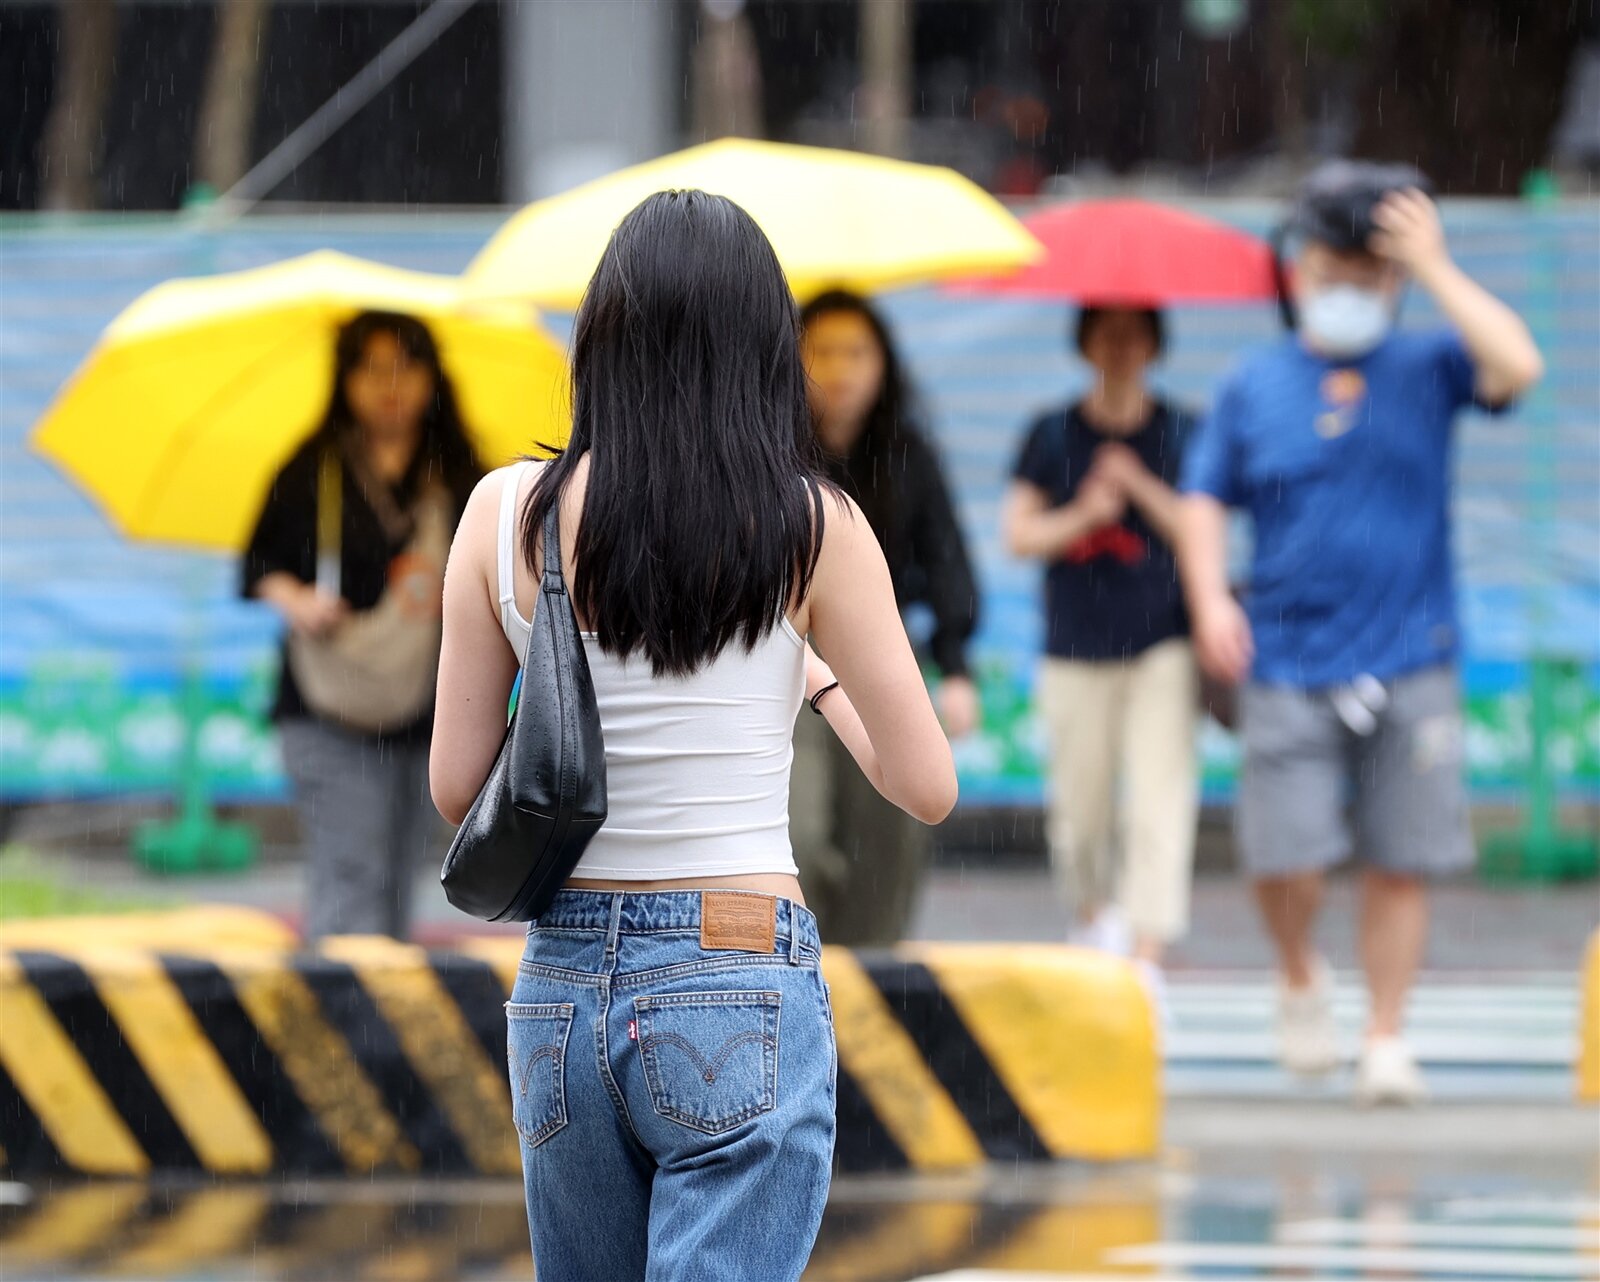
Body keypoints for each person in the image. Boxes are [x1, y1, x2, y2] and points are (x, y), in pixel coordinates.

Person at [429, 192, 957, 1282]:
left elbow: (455, 787)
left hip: (563, 980)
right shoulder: (814, 525)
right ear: (765, 350)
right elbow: (924, 783)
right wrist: (812, 680)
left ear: (601, 339)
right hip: (736, 960)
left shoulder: (503, 514)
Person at [1177, 162, 1543, 1104]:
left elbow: (1520, 366)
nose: (1345, 285)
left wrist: (1435, 263)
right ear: (1298, 270)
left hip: (1412, 653)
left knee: (1401, 861)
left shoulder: (1429, 365)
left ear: (1394, 278)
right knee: (1282, 858)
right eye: (1329, 266)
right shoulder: (1254, 382)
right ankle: (1299, 969)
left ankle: (1385, 1036)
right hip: (1286, 656)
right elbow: (1203, 500)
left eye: (1366, 270)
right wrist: (1212, 600)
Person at [243, 311, 483, 942]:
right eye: (373, 369)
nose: (390, 386)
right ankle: (340, 1024)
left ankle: (375, 1030)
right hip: (327, 706)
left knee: (398, 883)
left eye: (406, 369)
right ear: (346, 380)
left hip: (427, 713)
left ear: (434, 380)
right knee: (350, 877)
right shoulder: (312, 470)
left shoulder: (460, 475)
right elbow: (256, 564)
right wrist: (297, 599)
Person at [1002, 306, 1197, 990]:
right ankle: (1093, 920)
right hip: (1074, 645)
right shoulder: (1051, 433)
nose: (1119, 346)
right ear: (1084, 341)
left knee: (1158, 802)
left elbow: (1202, 529)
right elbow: (1019, 534)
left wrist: (1138, 483)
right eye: (1105, 331)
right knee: (1079, 812)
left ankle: (1145, 963)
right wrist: (1086, 513)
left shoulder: (1182, 430)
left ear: (1154, 343)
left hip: (1162, 646)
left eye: (1134, 332)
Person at [791, 288, 979, 945]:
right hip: (790, 663)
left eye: (856, 351)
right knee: (800, 838)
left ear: (883, 364)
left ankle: (865, 986)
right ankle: (804, 970)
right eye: (823, 349)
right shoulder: (771, 454)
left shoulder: (909, 455)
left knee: (888, 844)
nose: (839, 368)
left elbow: (948, 561)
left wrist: (956, 667)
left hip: (881, 662)